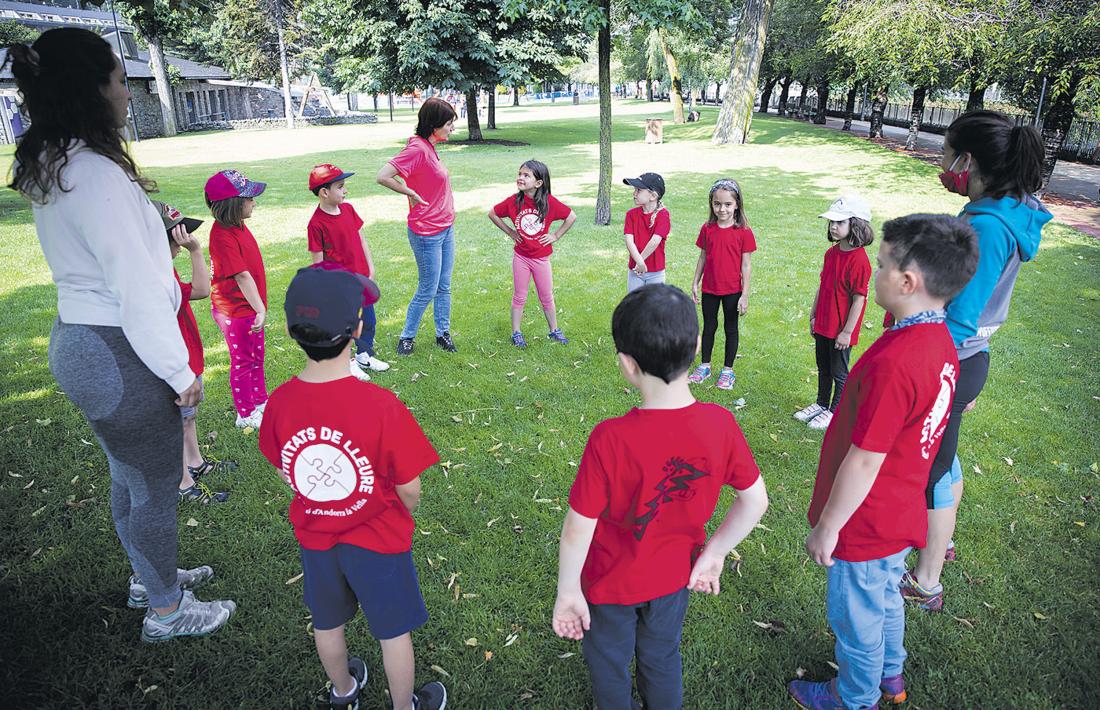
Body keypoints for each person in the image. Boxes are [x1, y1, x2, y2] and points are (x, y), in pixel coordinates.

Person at [9, 28, 234, 641]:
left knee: (129, 477)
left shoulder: (60, 160)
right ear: (93, 89)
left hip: (86, 342)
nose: (127, 91)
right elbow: (136, 288)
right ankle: (165, 611)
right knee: (157, 486)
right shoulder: (94, 173)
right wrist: (181, 373)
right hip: (116, 350)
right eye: (117, 78)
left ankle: (149, 578)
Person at [787, 214, 979, 710]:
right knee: (887, 599)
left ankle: (855, 697)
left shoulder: (901, 360)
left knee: (857, 620)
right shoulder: (940, 344)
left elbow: (866, 458)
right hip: (900, 510)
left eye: (881, 265)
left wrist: (829, 527)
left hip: (866, 522)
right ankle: (891, 675)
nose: (873, 274)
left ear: (907, 282)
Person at [552, 284, 769, 709]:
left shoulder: (609, 439)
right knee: (662, 655)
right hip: (674, 580)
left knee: (610, 663)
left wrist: (568, 592)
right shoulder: (721, 424)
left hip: (609, 582)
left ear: (627, 365)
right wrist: (715, 553)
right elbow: (755, 500)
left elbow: (577, 530)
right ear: (696, 348)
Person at [258, 266, 447, 710]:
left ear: (291, 329)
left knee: (327, 621)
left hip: (317, 538)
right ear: (358, 330)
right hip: (379, 538)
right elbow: (409, 487)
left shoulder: (280, 402)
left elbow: (287, 468)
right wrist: (403, 509)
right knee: (392, 630)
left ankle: (343, 691)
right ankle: (405, 706)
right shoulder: (379, 405)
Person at [899, 111, 1050, 612]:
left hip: (952, 360)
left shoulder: (987, 225)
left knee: (933, 467)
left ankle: (926, 580)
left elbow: (960, 316)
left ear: (969, 160)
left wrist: (916, 353)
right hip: (965, 363)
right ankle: (942, 541)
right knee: (946, 453)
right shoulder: (1010, 208)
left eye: (946, 154)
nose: (942, 163)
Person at [157, 201, 233, 503]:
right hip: (173, 363)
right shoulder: (152, 275)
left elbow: (201, 290)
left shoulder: (167, 270)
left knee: (187, 417)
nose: (182, 237)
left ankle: (195, 463)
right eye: (177, 234)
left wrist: (196, 252)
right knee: (174, 422)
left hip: (188, 357)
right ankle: (182, 481)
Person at [376, 97, 459, 356]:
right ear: (433, 125)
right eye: (448, 124)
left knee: (444, 286)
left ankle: (442, 334)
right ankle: (406, 338)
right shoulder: (418, 149)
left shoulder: (429, 147)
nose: (452, 128)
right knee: (428, 288)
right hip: (426, 232)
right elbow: (383, 176)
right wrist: (408, 191)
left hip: (446, 227)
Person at [794, 195, 874, 431]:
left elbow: (860, 299)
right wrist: (813, 315)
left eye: (840, 222)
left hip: (841, 329)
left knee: (839, 372)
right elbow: (823, 285)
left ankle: (834, 411)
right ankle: (820, 403)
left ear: (856, 225)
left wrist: (847, 332)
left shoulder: (860, 261)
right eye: (832, 222)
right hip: (823, 323)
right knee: (824, 367)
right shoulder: (831, 254)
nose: (833, 226)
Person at [307, 162, 390, 381]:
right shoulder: (316, 224)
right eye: (341, 186)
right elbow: (318, 261)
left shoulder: (349, 210)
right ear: (324, 192)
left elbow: (361, 238)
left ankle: (364, 354)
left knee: (368, 321)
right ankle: (348, 362)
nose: (346, 190)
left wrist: (370, 268)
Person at [487, 159, 577, 347]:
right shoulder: (513, 201)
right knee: (519, 296)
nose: (520, 177)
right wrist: (511, 232)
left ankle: (554, 330)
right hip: (521, 257)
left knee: (546, 296)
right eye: (519, 174)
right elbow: (493, 213)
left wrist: (556, 235)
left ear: (538, 183)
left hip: (541, 259)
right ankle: (516, 332)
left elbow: (571, 216)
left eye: (526, 175)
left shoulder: (549, 203)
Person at [205, 168, 269, 429]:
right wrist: (260, 309)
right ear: (233, 204)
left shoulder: (239, 226)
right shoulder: (221, 235)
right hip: (235, 311)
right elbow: (242, 276)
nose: (254, 202)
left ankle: (260, 400)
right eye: (249, 198)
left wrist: (258, 308)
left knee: (256, 356)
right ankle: (245, 413)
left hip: (250, 307)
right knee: (243, 359)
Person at [687, 178, 756, 391]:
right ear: (711, 204)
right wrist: (695, 282)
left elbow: (746, 266)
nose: (722, 209)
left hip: (732, 291)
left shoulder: (743, 231)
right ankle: (705, 365)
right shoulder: (707, 229)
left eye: (727, 204)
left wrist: (745, 294)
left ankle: (728, 370)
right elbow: (703, 257)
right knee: (709, 326)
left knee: (730, 328)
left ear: (737, 205)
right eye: (717, 204)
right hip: (710, 288)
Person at [622, 172, 670, 292]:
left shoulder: (663, 215)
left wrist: (640, 261)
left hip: (656, 272)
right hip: (635, 271)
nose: (634, 194)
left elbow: (655, 241)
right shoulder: (631, 215)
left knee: (655, 307)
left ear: (653, 196)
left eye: (638, 190)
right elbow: (629, 241)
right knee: (634, 306)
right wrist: (639, 262)